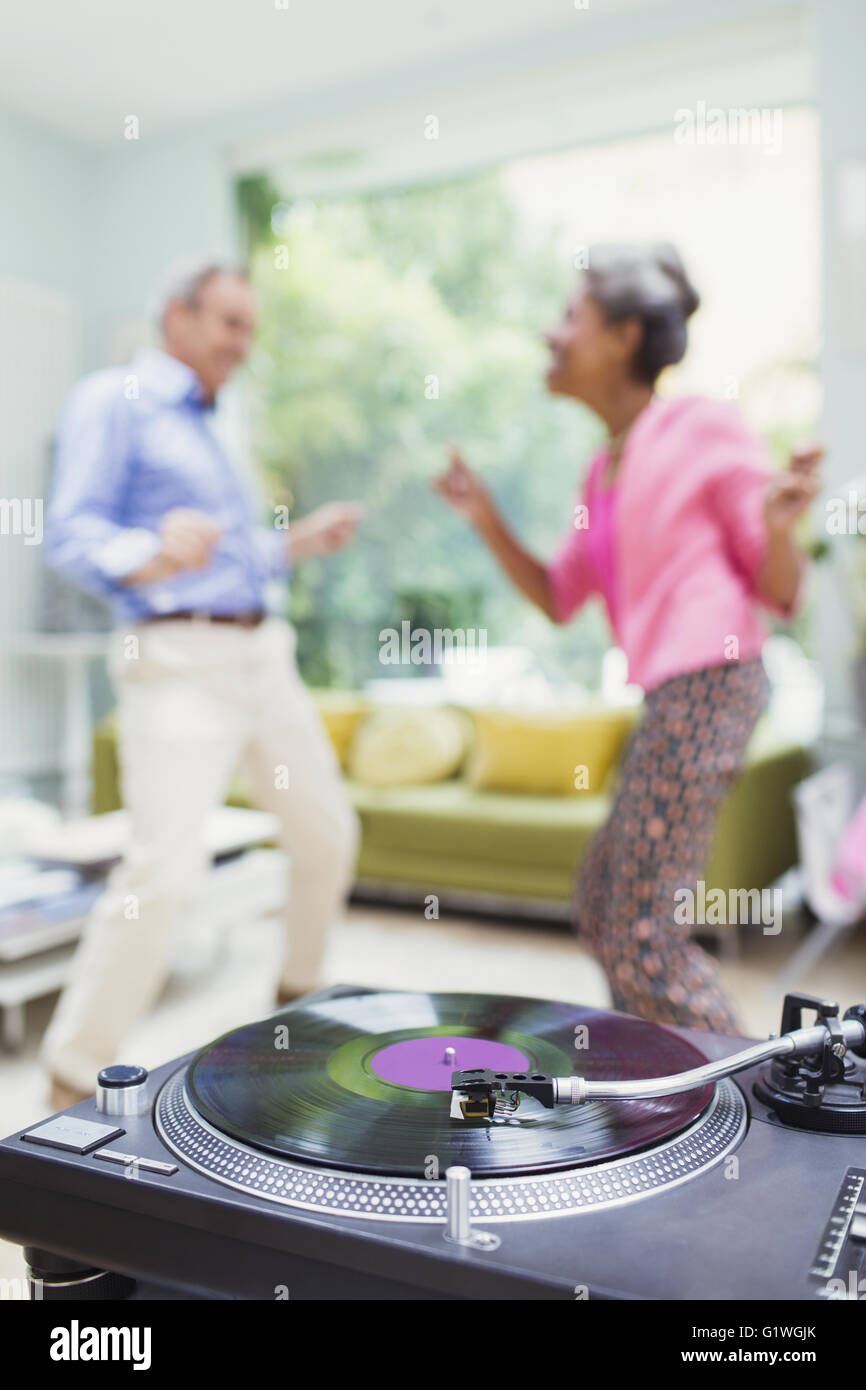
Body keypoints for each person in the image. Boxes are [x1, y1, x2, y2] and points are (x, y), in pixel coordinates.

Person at [434, 242, 822, 1031]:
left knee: (645, 934)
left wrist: (780, 526)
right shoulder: (601, 472)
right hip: (675, 693)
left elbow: (783, 589)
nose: (552, 333)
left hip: (712, 681)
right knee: (603, 901)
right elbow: (557, 595)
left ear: (623, 338)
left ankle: (751, 1098)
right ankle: (655, 1069)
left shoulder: (701, 426)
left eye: (571, 316)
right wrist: (486, 520)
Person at [41, 259, 363, 1107]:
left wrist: (300, 543)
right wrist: (144, 555)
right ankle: (72, 1075)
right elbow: (70, 528)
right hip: (176, 660)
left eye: (250, 328)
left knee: (327, 832)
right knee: (163, 875)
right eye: (229, 324)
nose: (241, 344)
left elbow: (229, 548)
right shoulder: (114, 399)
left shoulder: (220, 426)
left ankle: (299, 1009)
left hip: (261, 655)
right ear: (176, 317)